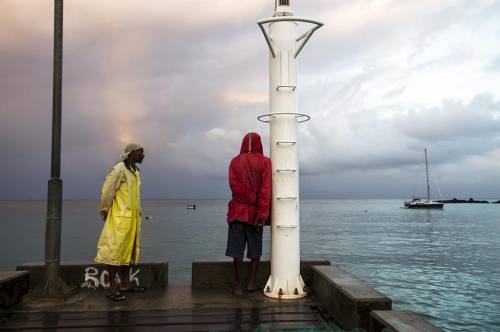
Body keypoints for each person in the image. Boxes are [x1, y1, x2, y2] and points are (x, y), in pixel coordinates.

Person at [95, 143, 145, 301]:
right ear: (131, 153)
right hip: (120, 218)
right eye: (140, 152)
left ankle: (125, 284)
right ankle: (111, 288)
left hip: (132, 220)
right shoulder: (119, 169)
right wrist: (104, 211)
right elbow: (107, 191)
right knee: (115, 253)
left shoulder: (135, 172)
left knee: (128, 252)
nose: (143, 155)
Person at [226, 132, 272, 296]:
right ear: (260, 144)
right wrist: (262, 213)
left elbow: (234, 186)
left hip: (237, 212)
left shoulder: (234, 162)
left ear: (243, 143)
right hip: (255, 214)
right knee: (255, 248)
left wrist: (248, 197)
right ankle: (252, 282)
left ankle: (238, 286)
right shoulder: (266, 162)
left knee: (236, 249)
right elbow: (266, 190)